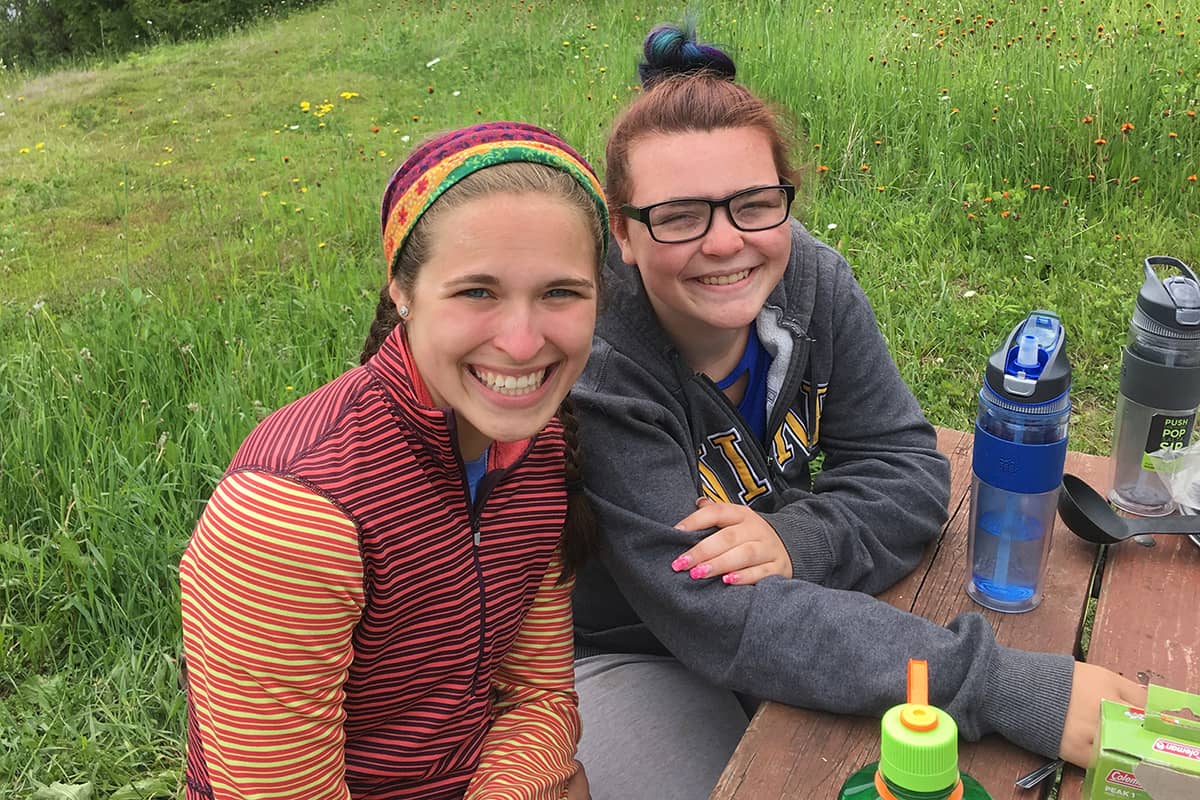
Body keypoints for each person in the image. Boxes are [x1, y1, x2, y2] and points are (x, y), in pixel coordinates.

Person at [569, 21, 1146, 800]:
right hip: (621, 648)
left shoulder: (810, 281)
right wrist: (998, 685)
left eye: (753, 203)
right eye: (678, 216)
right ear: (624, 233)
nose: (725, 243)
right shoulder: (600, 366)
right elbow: (706, 606)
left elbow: (908, 468)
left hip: (790, 605)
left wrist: (794, 536)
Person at [179, 121, 609, 800]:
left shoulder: (541, 449)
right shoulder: (292, 519)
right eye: (477, 292)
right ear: (401, 292)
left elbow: (540, 696)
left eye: (560, 292)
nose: (524, 343)